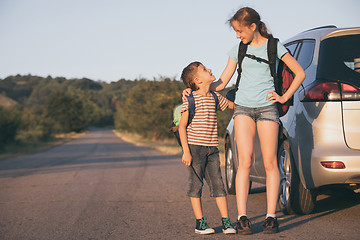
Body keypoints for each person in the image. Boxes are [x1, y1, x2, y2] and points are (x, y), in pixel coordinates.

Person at [183, 7, 305, 234]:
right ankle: (242, 218)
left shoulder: (274, 46)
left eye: (240, 31)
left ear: (253, 26)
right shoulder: (237, 48)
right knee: (244, 162)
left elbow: (300, 73)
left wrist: (284, 96)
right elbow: (221, 82)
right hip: (242, 109)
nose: (238, 35)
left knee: (270, 162)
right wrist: (193, 91)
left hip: (268, 108)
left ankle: (270, 217)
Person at [178, 61, 236, 235]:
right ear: (197, 80)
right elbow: (182, 127)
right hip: (195, 149)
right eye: (204, 69)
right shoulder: (189, 99)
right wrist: (186, 151)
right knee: (196, 186)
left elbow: (233, 106)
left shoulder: (215, 97)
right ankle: (200, 223)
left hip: (212, 149)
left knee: (218, 185)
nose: (210, 69)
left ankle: (226, 222)